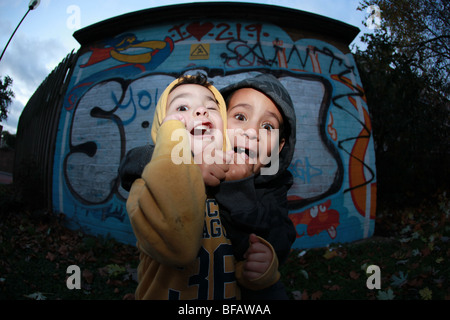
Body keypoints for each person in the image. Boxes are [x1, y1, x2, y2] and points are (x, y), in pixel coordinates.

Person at [125, 73, 280, 300]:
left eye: (211, 106)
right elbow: (179, 246)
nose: (200, 111)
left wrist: (259, 269)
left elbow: (236, 262)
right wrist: (174, 142)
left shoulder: (230, 189)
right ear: (162, 129)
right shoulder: (145, 187)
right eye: (182, 108)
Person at [215, 74, 297, 299]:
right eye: (240, 116)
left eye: (267, 126)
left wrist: (266, 260)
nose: (251, 132)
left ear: (279, 147)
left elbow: (280, 238)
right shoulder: (193, 165)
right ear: (218, 122)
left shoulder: (273, 189)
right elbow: (139, 165)